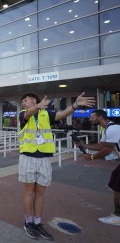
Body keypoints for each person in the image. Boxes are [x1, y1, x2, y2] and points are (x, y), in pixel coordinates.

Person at [19, 92, 95, 240]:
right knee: (29, 191)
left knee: (40, 192)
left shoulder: (46, 114)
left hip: (44, 158)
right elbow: (28, 114)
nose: (23, 103)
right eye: (22, 101)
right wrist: (37, 106)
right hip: (28, 156)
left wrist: (75, 105)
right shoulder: (23, 113)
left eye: (25, 100)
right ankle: (28, 222)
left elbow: (61, 114)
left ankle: (38, 222)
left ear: (33, 100)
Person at [75, 109, 120, 226]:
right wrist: (84, 145)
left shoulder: (113, 129)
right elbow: (101, 146)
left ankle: (117, 217)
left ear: (99, 117)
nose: (90, 119)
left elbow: (108, 149)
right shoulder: (106, 129)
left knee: (117, 187)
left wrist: (92, 158)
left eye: (92, 117)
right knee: (114, 180)